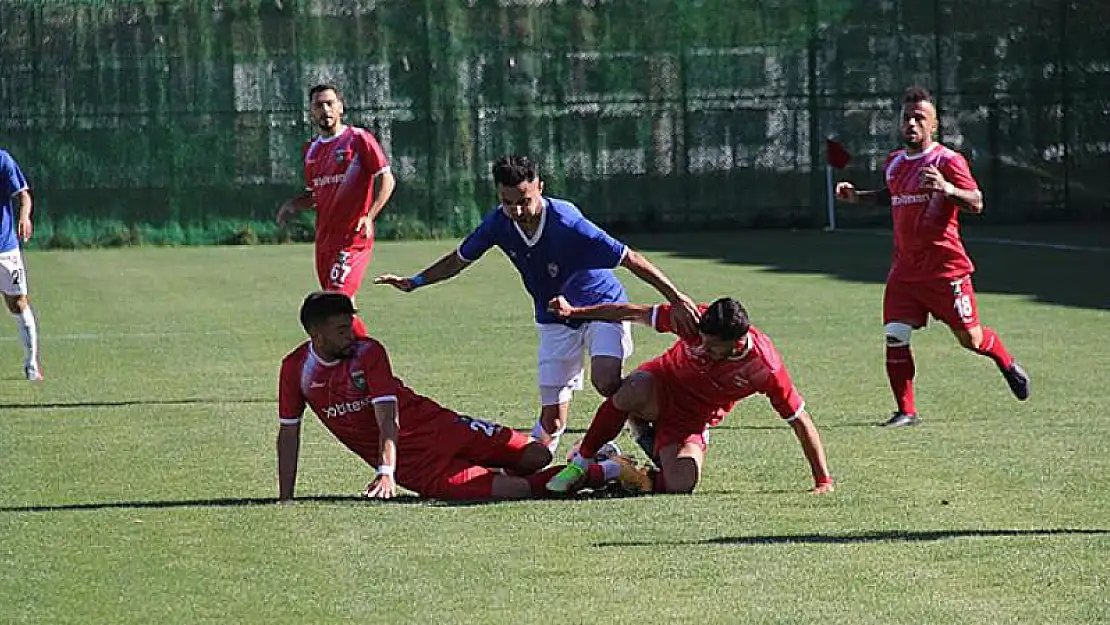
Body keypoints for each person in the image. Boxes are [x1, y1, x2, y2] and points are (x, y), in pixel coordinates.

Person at [374, 155, 699, 455]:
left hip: (602, 307)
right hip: (554, 319)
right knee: (553, 420)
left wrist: (675, 297)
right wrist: (415, 281)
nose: (516, 211)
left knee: (607, 382)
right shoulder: (498, 223)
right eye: (507, 203)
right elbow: (459, 260)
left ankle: (653, 426)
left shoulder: (567, 221)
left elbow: (630, 258)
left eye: (524, 201)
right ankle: (538, 461)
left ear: (540, 187)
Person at [276, 291, 635, 502]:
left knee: (537, 454)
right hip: (417, 468)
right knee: (518, 490)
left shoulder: (368, 353)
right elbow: (289, 433)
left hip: (441, 426)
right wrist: (286, 498)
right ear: (316, 334)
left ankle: (589, 454)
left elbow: (389, 418)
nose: (351, 335)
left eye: (351, 326)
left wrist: (384, 470)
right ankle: (605, 471)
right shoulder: (296, 371)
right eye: (341, 330)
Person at [834, 86, 1030, 427]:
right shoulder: (894, 162)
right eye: (906, 118)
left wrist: (948, 188)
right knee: (895, 335)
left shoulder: (948, 162)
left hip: (946, 271)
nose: (911, 123)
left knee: (971, 339)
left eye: (919, 118)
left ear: (934, 124)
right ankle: (906, 412)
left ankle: (1006, 361)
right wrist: (857, 198)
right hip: (905, 271)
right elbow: (890, 195)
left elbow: (977, 202)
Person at [544, 295, 834, 496]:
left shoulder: (765, 367)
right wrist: (576, 313)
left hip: (691, 420)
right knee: (631, 389)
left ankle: (614, 468)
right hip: (658, 388)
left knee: (681, 484)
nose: (702, 349)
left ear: (738, 343)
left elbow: (799, 420)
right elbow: (632, 312)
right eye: (701, 342)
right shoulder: (693, 319)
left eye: (712, 347)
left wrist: (823, 480)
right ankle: (580, 462)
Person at [276, 84, 397, 337]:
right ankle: (355, 362)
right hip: (325, 240)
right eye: (318, 105)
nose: (325, 110)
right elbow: (315, 195)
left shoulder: (358, 139)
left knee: (337, 300)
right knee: (339, 303)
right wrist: (292, 205)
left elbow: (386, 179)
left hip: (353, 237)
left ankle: (366, 359)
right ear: (311, 112)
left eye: (330, 103)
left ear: (341, 107)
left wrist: (369, 215)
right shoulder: (311, 150)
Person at [0, 149, 41, 381]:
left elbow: (24, 196)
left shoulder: (2, 160)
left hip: (5, 249)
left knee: (17, 303)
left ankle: (31, 362)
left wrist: (24, 217)